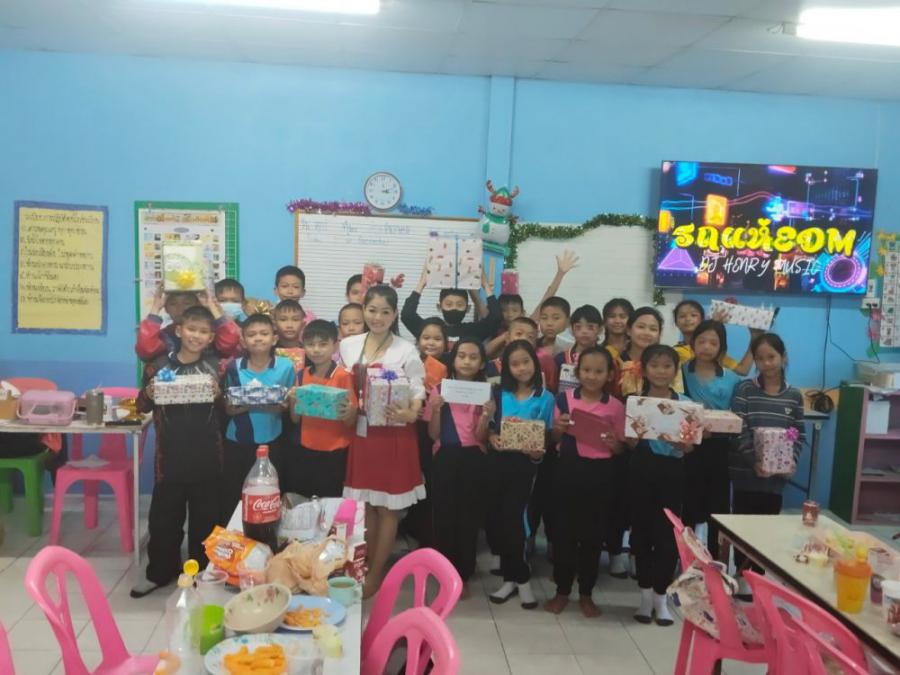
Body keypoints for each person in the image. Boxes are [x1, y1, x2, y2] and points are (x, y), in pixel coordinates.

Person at [339, 285, 426, 599]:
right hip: (363, 434)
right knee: (368, 505)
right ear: (363, 309)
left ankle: (376, 575)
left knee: (388, 509)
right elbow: (343, 385)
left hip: (394, 435)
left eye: (385, 312)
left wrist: (411, 412)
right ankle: (363, 567)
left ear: (395, 314)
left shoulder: (406, 349)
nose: (377, 317)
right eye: (372, 310)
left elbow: (418, 388)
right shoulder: (348, 345)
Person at [131, 306, 223, 598]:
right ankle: (159, 572)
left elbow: (229, 407)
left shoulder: (217, 367)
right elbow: (141, 405)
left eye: (204, 331)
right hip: (168, 458)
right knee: (163, 520)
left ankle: (201, 573)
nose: (197, 336)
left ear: (211, 337)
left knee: (206, 520)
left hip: (208, 457)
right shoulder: (158, 366)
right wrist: (149, 393)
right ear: (179, 330)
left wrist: (219, 395)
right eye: (192, 329)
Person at [546, 346, 625, 617]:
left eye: (599, 371)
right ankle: (562, 591)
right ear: (577, 373)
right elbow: (553, 440)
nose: (592, 376)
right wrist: (558, 430)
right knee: (563, 534)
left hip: (600, 474)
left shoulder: (615, 406)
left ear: (609, 375)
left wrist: (614, 444)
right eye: (587, 370)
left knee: (593, 536)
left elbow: (620, 448)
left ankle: (586, 593)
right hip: (567, 471)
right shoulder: (564, 399)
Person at [730, 332, 804, 592]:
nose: (766, 363)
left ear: (783, 357)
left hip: (776, 479)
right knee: (743, 525)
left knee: (767, 527)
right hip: (746, 474)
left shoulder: (794, 395)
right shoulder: (745, 389)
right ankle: (742, 574)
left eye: (771, 357)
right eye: (760, 359)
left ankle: (758, 578)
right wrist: (754, 461)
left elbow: (798, 433)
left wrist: (791, 461)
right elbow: (738, 429)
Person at [627, 344, 694, 626]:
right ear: (644, 369)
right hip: (641, 472)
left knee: (667, 538)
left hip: (672, 474)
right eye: (654, 365)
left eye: (667, 366)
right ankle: (644, 597)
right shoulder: (635, 402)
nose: (661, 371)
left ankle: (661, 598)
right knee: (641, 534)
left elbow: (689, 447)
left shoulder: (686, 403)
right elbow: (630, 443)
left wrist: (682, 443)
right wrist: (634, 436)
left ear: (675, 370)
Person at [486, 340, 554, 610]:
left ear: (535, 363)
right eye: (515, 364)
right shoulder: (498, 393)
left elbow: (545, 439)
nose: (521, 368)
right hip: (498, 464)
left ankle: (522, 580)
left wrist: (535, 454)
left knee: (517, 522)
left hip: (525, 469)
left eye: (526, 362)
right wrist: (492, 437)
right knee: (500, 521)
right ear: (507, 368)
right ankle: (510, 580)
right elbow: (491, 429)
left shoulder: (545, 398)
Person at [424, 338, 494, 594]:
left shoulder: (486, 393)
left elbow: (482, 438)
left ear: (482, 363)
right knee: (444, 516)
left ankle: (463, 572)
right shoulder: (440, 390)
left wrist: (486, 416)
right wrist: (436, 410)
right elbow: (433, 435)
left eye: (473, 357)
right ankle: (444, 571)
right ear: (453, 360)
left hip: (474, 458)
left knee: (469, 516)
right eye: (461, 356)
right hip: (445, 457)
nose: (467, 361)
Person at [221, 313, 296, 522]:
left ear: (274, 338)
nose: (258, 338)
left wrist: (279, 406)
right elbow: (229, 409)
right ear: (243, 341)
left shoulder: (286, 366)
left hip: (272, 441)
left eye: (264, 333)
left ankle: (266, 536)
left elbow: (287, 406)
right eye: (252, 334)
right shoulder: (233, 367)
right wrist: (250, 402)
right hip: (237, 441)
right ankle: (233, 537)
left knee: (268, 499)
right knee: (234, 497)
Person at [287, 320, 357, 498]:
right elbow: (295, 419)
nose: (316, 350)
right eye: (310, 345)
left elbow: (350, 421)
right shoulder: (301, 374)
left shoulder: (343, 376)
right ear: (304, 347)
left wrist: (349, 411)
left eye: (323, 344)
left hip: (335, 450)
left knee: (330, 500)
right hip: (305, 447)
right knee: (304, 499)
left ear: (335, 346)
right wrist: (293, 400)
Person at [403, 317, 449, 547]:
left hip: (438, 431)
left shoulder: (451, 367)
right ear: (418, 340)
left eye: (437, 338)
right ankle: (410, 524)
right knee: (413, 476)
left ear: (446, 342)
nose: (431, 343)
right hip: (412, 428)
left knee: (431, 481)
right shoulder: (410, 362)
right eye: (426, 337)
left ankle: (428, 533)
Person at [485, 250, 579, 359]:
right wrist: (508, 333)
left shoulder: (529, 326)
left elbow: (546, 298)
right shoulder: (495, 329)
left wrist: (560, 274)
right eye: (504, 310)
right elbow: (485, 352)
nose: (510, 314)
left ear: (522, 312)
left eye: (514, 310)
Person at [401, 264, 500, 343]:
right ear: (439, 307)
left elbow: (496, 318)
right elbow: (407, 315)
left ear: (468, 308)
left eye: (460, 305)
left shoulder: (473, 331)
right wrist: (421, 283)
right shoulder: (430, 330)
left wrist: (485, 285)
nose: (454, 308)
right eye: (448, 304)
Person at [136, 288, 240, 362]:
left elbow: (230, 343)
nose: (180, 308)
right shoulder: (164, 336)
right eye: (173, 304)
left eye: (187, 303)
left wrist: (211, 307)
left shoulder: (210, 333)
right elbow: (146, 349)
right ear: (166, 308)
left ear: (197, 304)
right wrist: (155, 308)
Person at [672, 299, 756, 375]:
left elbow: (743, 370)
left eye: (693, 315)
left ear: (702, 320)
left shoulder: (715, 352)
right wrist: (712, 324)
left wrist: (754, 337)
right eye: (682, 316)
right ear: (676, 322)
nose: (688, 319)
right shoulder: (675, 352)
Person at [554, 303, 603, 388]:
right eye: (578, 327)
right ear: (571, 330)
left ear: (600, 330)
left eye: (590, 327)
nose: (584, 331)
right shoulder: (561, 359)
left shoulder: (605, 358)